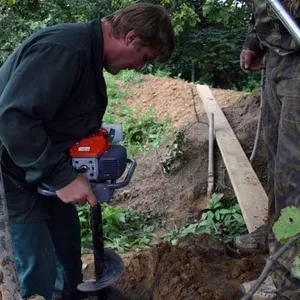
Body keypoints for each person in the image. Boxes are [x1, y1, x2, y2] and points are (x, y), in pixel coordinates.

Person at [0, 3, 175, 300]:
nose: (139, 67)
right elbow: (14, 120)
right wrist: (62, 177)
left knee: (67, 246)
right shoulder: (65, 50)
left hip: (44, 165)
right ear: (131, 38)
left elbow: (57, 111)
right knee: (36, 261)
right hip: (12, 169)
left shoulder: (88, 59)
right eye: (143, 58)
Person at [237, 0, 300, 299]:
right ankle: (277, 232)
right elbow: (262, 9)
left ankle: (293, 282)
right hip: (277, 56)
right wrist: (254, 42)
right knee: (276, 160)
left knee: (294, 171)